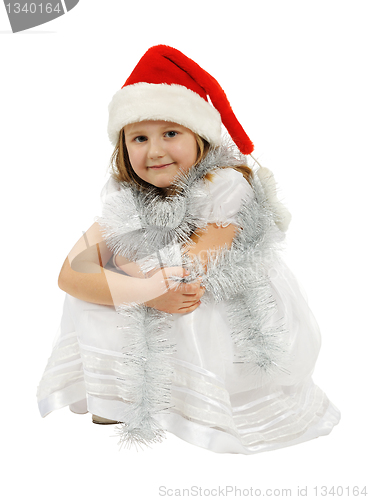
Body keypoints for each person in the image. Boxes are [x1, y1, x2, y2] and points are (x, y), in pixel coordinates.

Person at [37, 45, 340, 454]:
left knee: (181, 306)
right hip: (157, 285)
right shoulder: (125, 196)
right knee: (88, 299)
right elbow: (69, 274)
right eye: (139, 137)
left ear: (200, 136)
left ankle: (195, 399)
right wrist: (134, 286)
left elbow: (190, 271)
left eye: (171, 133)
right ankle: (119, 394)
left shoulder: (224, 186)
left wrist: (125, 276)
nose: (155, 150)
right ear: (123, 147)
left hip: (218, 298)